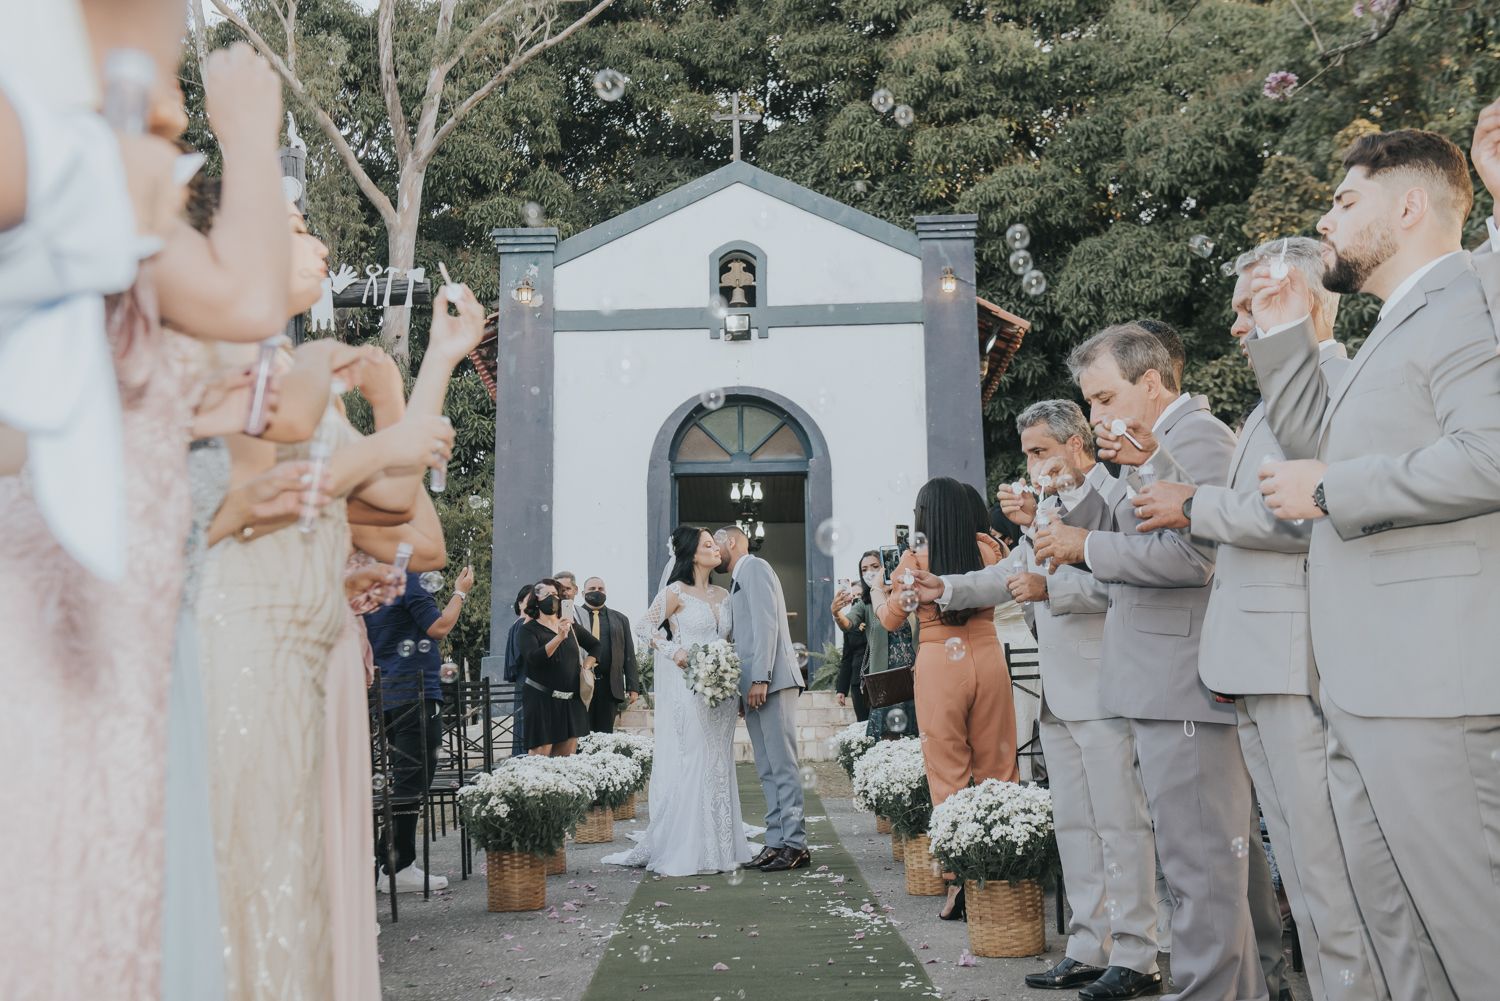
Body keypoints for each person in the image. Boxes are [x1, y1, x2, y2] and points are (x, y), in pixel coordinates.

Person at [1252, 127, 1500, 1001]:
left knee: (1479, 944)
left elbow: (1493, 454)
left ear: (1408, 206)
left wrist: (1333, 487)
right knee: (1400, 944)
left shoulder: (1475, 297)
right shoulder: (1391, 327)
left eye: (1343, 201)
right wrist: (1283, 340)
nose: (1325, 219)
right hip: (1362, 686)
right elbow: (1318, 452)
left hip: (1437, 687)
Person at [1132, 237, 1380, 1001]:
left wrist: (1196, 505)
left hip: (1296, 659)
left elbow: (1312, 516)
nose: (1236, 326)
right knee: (1304, 879)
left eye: (1251, 308)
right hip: (1253, 659)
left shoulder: (1341, 386)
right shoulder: (1271, 403)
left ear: (1299, 299)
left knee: (1331, 877)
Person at [1031, 324, 1261, 1001]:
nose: (1095, 416)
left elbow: (1198, 556)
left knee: (1199, 878)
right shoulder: (1148, 451)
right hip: (1162, 681)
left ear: (1152, 383)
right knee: (1205, 874)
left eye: (1104, 398)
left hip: (1184, 681)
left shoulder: (1196, 439)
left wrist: (1085, 548)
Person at [954, 401, 1162, 995]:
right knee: (1074, 825)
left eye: (1040, 452)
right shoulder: (1048, 512)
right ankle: (1086, 945)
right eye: (1027, 455)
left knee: (1121, 825)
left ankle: (1138, 955)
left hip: (1107, 687)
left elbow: (1132, 578)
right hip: (1057, 692)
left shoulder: (1117, 499)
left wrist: (1053, 588)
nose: (1031, 466)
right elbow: (1007, 577)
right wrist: (943, 586)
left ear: (1077, 446)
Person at [876, 477, 1016, 922]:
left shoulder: (915, 559)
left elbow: (890, 620)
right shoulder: (991, 549)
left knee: (948, 773)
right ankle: (1002, 875)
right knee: (999, 767)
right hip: (990, 655)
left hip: (939, 660)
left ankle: (958, 883)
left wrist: (882, 589)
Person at [603, 527, 754, 875]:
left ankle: (723, 845)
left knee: (719, 760)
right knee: (697, 758)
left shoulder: (724, 593)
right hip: (691, 688)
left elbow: (729, 638)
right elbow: (643, 628)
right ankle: (691, 847)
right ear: (691, 553)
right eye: (706, 545)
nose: (715, 548)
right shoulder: (675, 592)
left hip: (723, 690)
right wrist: (676, 651)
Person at [364, 565, 473, 893]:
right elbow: (439, 626)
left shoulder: (371, 584)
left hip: (386, 696)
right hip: (416, 691)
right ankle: (400, 867)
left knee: (404, 778)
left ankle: (387, 860)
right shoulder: (408, 579)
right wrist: (460, 591)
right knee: (414, 779)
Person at [716, 524, 810, 873]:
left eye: (716, 543)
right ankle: (775, 841)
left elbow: (767, 624)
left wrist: (760, 677)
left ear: (732, 541)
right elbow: (744, 635)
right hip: (755, 687)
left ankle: (796, 843)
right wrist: (744, 688)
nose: (714, 551)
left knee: (782, 764)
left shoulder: (755, 568)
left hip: (773, 680)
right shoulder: (738, 578)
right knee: (767, 767)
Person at [837, 549, 918, 738]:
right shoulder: (865, 604)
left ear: (886, 567)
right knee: (888, 736)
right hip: (885, 678)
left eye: (874, 566)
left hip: (914, 673)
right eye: (864, 569)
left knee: (916, 731)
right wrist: (836, 613)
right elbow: (848, 623)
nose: (870, 573)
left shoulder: (907, 594)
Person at [517, 578, 597, 756]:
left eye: (555, 594)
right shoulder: (528, 630)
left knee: (567, 758)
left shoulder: (571, 626)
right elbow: (533, 658)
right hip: (541, 699)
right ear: (536, 599)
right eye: (547, 594)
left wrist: (587, 665)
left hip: (571, 701)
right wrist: (560, 636)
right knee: (540, 755)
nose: (552, 598)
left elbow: (596, 646)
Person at [579, 576, 639, 733]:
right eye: (592, 589)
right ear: (583, 592)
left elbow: (629, 654)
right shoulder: (574, 617)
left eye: (600, 589)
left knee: (605, 734)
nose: (597, 592)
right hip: (581, 683)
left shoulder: (620, 619)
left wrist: (633, 686)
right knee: (582, 733)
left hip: (609, 685)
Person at [831, 570, 869, 721]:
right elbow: (846, 658)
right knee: (862, 722)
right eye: (853, 598)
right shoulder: (848, 625)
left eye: (860, 597)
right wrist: (841, 689)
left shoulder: (876, 616)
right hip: (857, 681)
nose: (857, 602)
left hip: (876, 676)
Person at [502, 582, 534, 755]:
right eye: (530, 599)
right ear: (520, 603)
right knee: (526, 723)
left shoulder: (522, 625)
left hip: (526, 681)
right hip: (528, 680)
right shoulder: (522, 625)